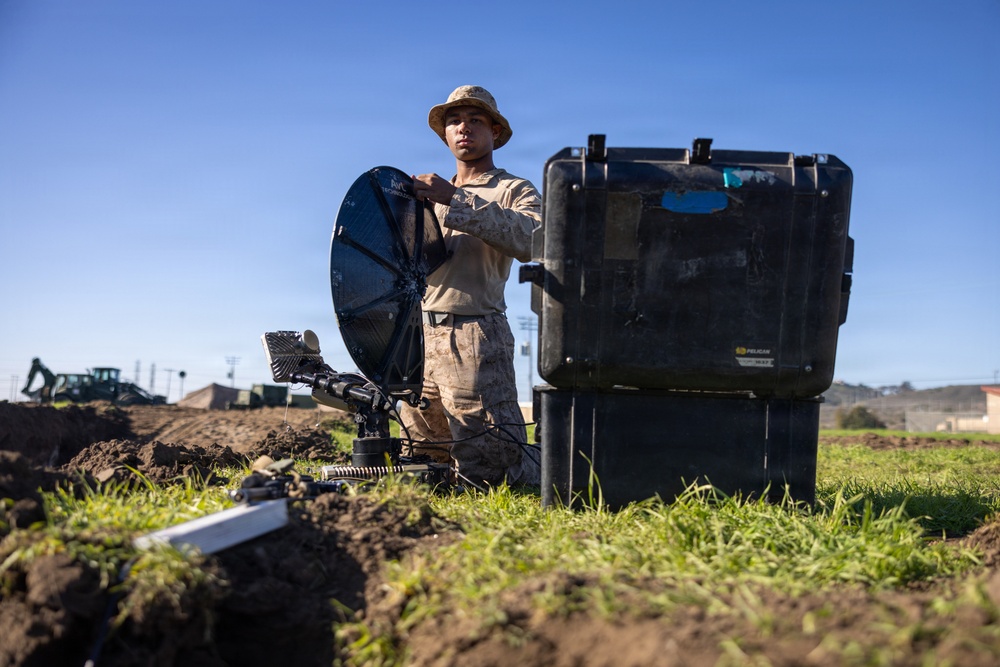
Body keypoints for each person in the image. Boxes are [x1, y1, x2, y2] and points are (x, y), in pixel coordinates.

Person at [400, 85, 541, 488]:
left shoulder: (513, 189)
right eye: (454, 121)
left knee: (492, 464)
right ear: (444, 134)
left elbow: (534, 240)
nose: (464, 128)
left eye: (475, 120)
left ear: (494, 132)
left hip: (475, 334)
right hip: (419, 337)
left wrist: (456, 200)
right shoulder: (427, 196)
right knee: (423, 459)